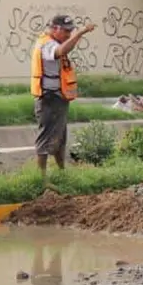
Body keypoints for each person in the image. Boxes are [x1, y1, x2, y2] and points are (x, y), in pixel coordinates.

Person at [30, 15, 96, 186]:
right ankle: (41, 179)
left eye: (71, 31)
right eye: (66, 31)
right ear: (56, 28)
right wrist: (80, 33)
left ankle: (61, 173)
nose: (69, 34)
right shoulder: (47, 44)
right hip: (48, 98)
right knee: (45, 137)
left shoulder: (54, 42)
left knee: (60, 137)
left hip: (58, 97)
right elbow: (61, 52)